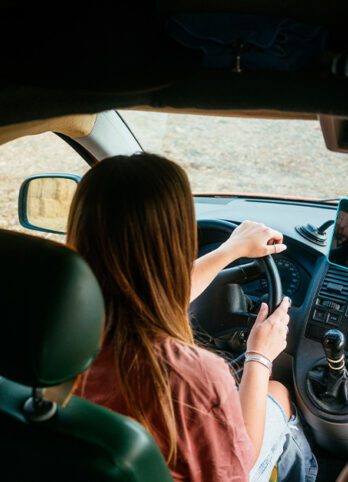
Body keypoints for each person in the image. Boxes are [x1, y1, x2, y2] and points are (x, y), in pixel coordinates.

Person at [68, 153, 316, 482]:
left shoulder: (53, 335)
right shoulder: (192, 378)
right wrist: (259, 355)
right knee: (278, 394)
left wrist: (231, 249)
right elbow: (238, 466)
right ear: (177, 244)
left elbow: (144, 293)